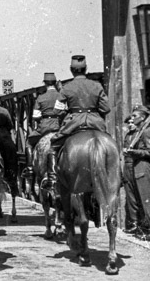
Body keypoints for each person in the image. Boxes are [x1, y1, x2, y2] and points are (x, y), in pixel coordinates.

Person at [47, 55, 111, 192]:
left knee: (53, 147)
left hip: (73, 124)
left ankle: (52, 179)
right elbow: (106, 108)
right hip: (96, 123)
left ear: (71, 70)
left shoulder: (66, 88)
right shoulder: (97, 86)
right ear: (86, 69)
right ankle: (118, 175)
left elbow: (57, 111)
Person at [122, 105, 150, 234]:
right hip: (131, 167)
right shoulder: (135, 134)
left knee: (145, 198)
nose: (131, 120)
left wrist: (133, 152)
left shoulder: (144, 132)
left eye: (134, 116)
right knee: (132, 198)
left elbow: (148, 152)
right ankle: (139, 226)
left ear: (143, 117)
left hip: (141, 167)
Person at [0, 91, 19, 197]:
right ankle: (12, 181)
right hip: (4, 136)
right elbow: (10, 125)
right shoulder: (4, 111)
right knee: (12, 156)